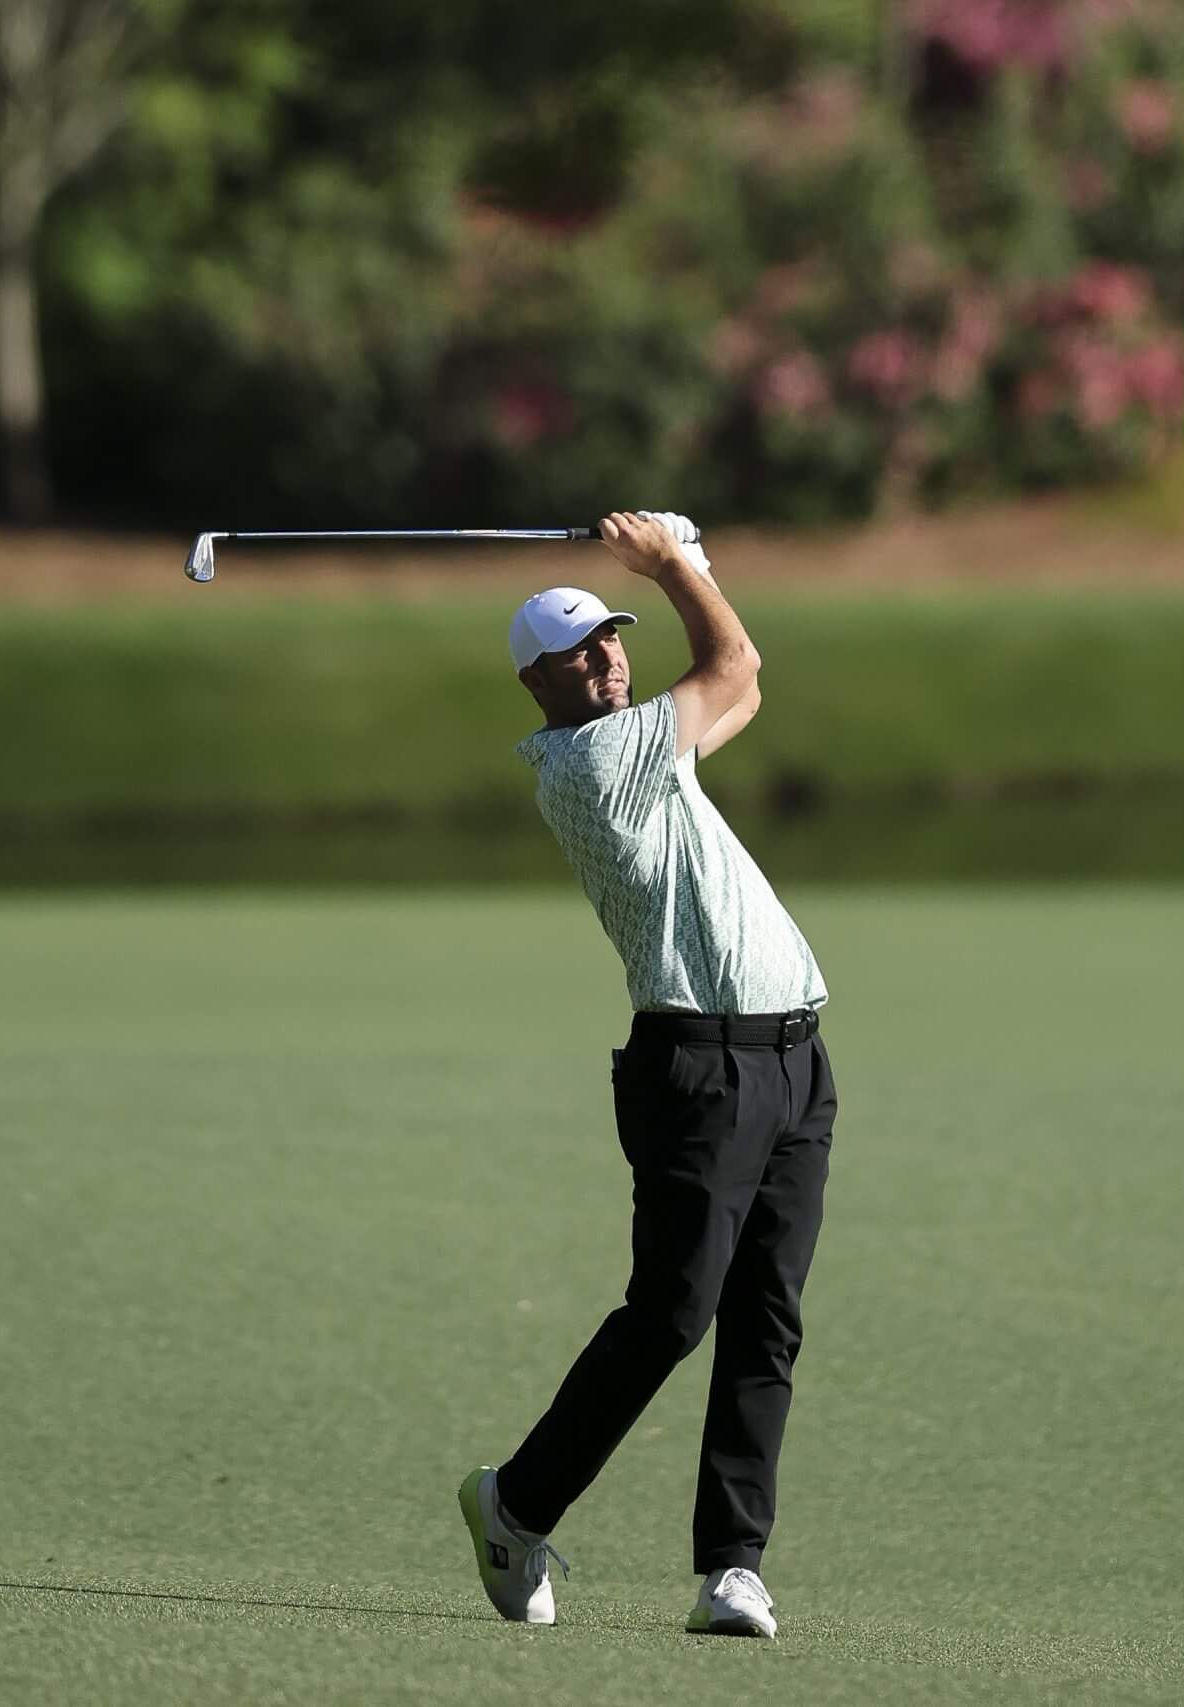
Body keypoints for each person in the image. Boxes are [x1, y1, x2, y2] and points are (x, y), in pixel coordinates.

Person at [458, 511, 837, 1640]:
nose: (607, 657)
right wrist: (677, 564)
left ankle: (732, 1567)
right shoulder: (593, 760)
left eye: (613, 638)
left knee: (765, 1316)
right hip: (700, 1071)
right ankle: (515, 1505)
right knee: (673, 1312)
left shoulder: (644, 749)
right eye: (580, 650)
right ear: (537, 680)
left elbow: (740, 694)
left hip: (795, 1060)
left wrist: (692, 568)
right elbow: (734, 664)